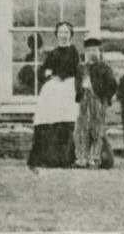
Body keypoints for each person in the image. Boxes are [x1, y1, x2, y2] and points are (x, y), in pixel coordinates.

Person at [27, 21, 80, 169]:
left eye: (66, 33)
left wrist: (59, 76)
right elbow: (43, 70)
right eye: (61, 33)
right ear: (57, 35)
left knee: (65, 118)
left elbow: (73, 68)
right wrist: (48, 75)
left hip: (68, 86)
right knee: (47, 118)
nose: (63, 35)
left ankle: (65, 158)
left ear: (70, 35)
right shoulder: (53, 52)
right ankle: (48, 158)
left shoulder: (73, 51)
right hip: (53, 88)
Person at [74, 37, 117, 169]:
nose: (92, 52)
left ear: (99, 51)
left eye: (94, 50)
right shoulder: (81, 68)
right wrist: (79, 94)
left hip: (98, 99)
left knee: (97, 129)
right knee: (82, 129)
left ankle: (95, 158)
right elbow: (77, 83)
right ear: (85, 52)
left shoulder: (105, 68)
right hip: (84, 99)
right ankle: (81, 158)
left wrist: (105, 97)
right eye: (89, 50)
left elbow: (113, 85)